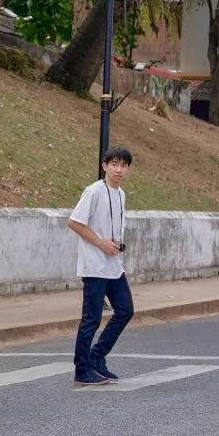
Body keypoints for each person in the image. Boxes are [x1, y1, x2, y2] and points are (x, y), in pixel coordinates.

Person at [68, 146, 135, 387]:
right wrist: (100, 242)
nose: (118, 170)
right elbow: (74, 222)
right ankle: (82, 370)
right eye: (114, 164)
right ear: (104, 166)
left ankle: (96, 357)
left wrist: (114, 245)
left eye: (123, 165)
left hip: (114, 265)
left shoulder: (121, 194)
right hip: (94, 264)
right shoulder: (93, 192)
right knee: (92, 319)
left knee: (125, 310)